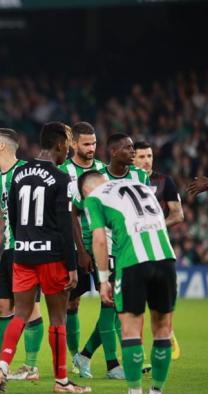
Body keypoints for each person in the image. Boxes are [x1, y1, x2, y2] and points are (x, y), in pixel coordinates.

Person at [0, 122, 91, 394]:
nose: (68, 151)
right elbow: (64, 224)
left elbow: (11, 214)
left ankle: (2, 364)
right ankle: (61, 381)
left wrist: (24, 240)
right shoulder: (61, 179)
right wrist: (71, 265)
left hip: (22, 253)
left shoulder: (19, 173)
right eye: (68, 146)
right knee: (58, 319)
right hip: (52, 256)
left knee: (20, 314)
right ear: (59, 144)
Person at [79, 171, 176, 394]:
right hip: (166, 259)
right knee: (163, 328)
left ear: (86, 191)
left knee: (130, 328)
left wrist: (103, 280)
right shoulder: (141, 187)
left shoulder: (94, 198)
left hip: (132, 263)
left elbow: (100, 240)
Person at [0, 128, 44, 381]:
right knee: (3, 306)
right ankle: (2, 363)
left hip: (30, 250)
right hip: (10, 250)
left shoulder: (29, 172)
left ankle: (31, 366)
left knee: (31, 308)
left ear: (3, 146)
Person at [59, 123, 124, 380]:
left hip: (104, 244)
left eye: (94, 144)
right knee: (72, 303)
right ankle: (78, 355)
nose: (91, 149)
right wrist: (81, 251)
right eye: (86, 144)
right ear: (74, 144)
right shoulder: (63, 171)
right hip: (76, 248)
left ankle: (109, 362)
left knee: (111, 302)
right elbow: (69, 214)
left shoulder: (102, 171)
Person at [134, 140, 184, 360]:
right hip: (133, 250)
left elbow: (178, 214)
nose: (147, 161)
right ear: (132, 158)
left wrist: (153, 226)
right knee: (133, 306)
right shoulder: (126, 182)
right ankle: (140, 353)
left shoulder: (165, 182)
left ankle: (167, 333)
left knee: (161, 302)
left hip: (159, 249)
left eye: (150, 156)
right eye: (142, 157)